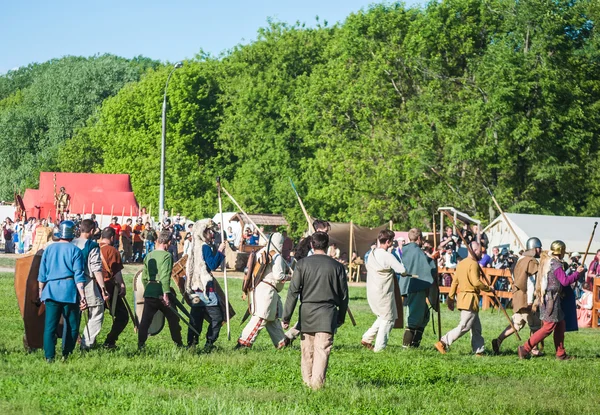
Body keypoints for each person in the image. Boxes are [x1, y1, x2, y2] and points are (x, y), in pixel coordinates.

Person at [282, 231, 348, 390]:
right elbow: (344, 296)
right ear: (327, 245)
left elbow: (293, 292)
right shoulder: (337, 266)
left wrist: (286, 317)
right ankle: (316, 386)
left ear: (312, 245)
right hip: (327, 313)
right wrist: (341, 315)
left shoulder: (302, 264)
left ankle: (307, 383)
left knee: (307, 351)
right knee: (322, 351)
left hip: (307, 313)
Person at [518, 241, 583, 360]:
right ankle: (525, 348)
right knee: (548, 327)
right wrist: (577, 274)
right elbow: (564, 281)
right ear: (561, 251)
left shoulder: (549, 261)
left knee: (560, 325)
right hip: (551, 300)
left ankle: (561, 354)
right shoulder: (555, 264)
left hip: (553, 299)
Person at [37, 220, 86, 362]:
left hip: (51, 290)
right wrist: (82, 295)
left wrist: (41, 290)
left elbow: (42, 273)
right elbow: (78, 275)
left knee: (50, 326)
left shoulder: (49, 249)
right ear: (72, 235)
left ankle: (49, 356)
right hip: (68, 291)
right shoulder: (75, 251)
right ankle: (66, 354)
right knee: (72, 324)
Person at [435, 241, 491, 356]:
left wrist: (450, 299)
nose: (481, 254)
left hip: (466, 299)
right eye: (480, 251)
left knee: (476, 328)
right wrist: (488, 289)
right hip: (469, 299)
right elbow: (476, 282)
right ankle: (443, 342)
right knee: (464, 326)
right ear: (474, 251)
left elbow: (454, 283)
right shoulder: (474, 264)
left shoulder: (461, 264)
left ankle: (479, 351)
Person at [237, 232, 290, 349]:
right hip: (267, 291)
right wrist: (291, 277)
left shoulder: (261, 252)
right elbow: (278, 276)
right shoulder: (276, 256)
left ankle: (282, 343)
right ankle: (244, 342)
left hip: (260, 288)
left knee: (273, 319)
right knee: (261, 318)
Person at [491, 237, 543, 355]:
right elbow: (530, 282)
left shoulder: (520, 260)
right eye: (539, 248)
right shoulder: (531, 262)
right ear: (535, 248)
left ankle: (498, 341)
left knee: (516, 324)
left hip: (518, 297)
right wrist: (530, 301)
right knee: (535, 325)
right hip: (526, 298)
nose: (541, 250)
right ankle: (533, 349)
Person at [185, 219, 228, 351]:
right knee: (217, 318)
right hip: (205, 290)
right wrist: (220, 252)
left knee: (196, 318)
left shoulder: (196, 247)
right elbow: (212, 265)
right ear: (204, 232)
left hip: (196, 288)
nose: (213, 234)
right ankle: (209, 343)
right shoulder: (204, 246)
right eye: (211, 231)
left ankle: (192, 343)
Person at [362, 229, 406, 352]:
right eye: (392, 241)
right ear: (388, 241)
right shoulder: (387, 255)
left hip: (372, 291)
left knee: (383, 316)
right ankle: (379, 348)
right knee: (389, 319)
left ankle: (367, 338)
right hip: (384, 292)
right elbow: (401, 270)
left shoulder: (371, 253)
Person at [138, 231, 183, 349]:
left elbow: (144, 277)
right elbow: (165, 276)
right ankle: (179, 345)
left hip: (150, 292)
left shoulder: (149, 255)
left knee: (145, 321)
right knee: (173, 320)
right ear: (167, 243)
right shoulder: (167, 256)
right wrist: (165, 294)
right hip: (161, 293)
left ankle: (140, 345)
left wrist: (148, 289)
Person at [72, 219, 109, 350]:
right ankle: (86, 344)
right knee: (97, 310)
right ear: (92, 231)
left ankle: (71, 341)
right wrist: (103, 289)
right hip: (86, 282)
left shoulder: (71, 242)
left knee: (74, 312)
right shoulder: (91, 246)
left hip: (71, 283)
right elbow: (96, 269)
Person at [399, 228, 438, 348]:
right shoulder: (416, 251)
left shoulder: (406, 249)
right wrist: (433, 258)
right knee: (414, 318)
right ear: (419, 238)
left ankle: (415, 344)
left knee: (425, 315)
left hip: (413, 285)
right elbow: (426, 266)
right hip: (415, 286)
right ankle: (406, 347)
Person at [99, 227, 128, 349]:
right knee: (123, 316)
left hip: (93, 288)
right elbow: (117, 273)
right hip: (108, 288)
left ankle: (86, 342)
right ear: (112, 237)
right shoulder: (112, 251)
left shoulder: (92, 248)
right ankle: (110, 341)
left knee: (94, 317)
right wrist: (122, 285)